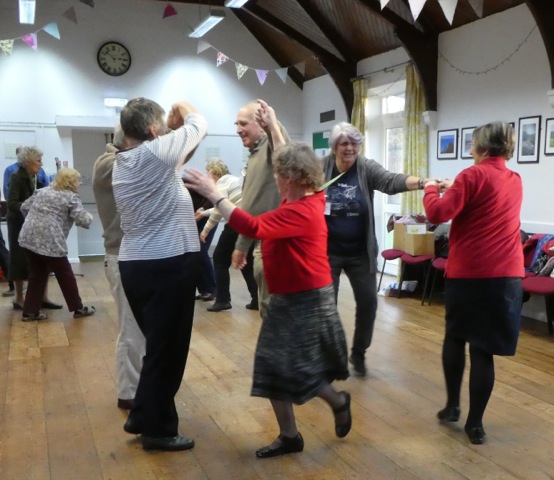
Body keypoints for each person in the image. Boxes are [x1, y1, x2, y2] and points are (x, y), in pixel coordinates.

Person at [184, 142, 351, 458]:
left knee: (296, 367)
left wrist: (214, 193)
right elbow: (265, 227)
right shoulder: (299, 200)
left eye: (277, 174)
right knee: (275, 366)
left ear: (289, 177)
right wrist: (244, 248)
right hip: (287, 298)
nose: (275, 180)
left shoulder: (303, 209)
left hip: (307, 300)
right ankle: (291, 435)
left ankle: (337, 403)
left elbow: (256, 225)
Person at [112, 97, 207, 452]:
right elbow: (199, 126)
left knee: (159, 347)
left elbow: (182, 153)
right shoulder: (151, 155)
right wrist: (184, 108)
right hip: (165, 265)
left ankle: (143, 413)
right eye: (163, 127)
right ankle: (158, 430)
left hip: (142, 265)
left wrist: (174, 128)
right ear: (154, 131)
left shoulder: (131, 160)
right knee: (168, 351)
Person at [423, 121, 523, 445]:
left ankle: (452, 405)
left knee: (456, 337)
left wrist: (430, 187)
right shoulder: (515, 179)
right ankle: (475, 425)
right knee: (484, 351)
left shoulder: (471, 175)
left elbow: (438, 213)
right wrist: (456, 186)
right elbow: (483, 197)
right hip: (506, 275)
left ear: (481, 147)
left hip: (470, 274)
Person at [322, 122, 432, 377]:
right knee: (326, 307)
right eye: (344, 143)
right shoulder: (321, 168)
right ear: (335, 146)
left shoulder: (365, 167)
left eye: (354, 143)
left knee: (369, 303)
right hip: (326, 252)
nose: (349, 148)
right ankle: (330, 357)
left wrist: (423, 182)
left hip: (360, 252)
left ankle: (359, 352)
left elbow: (391, 181)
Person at [92, 125, 146, 411]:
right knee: (130, 329)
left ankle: (137, 387)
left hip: (133, 257)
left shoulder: (123, 160)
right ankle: (128, 393)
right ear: (129, 139)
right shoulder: (107, 164)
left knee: (137, 328)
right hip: (120, 257)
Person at [231, 99, 289, 317]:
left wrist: (272, 125)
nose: (238, 130)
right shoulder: (255, 153)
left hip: (277, 245)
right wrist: (242, 244)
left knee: (275, 309)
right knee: (267, 308)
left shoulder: (269, 145)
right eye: (236, 124)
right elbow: (251, 205)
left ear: (260, 123)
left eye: (243, 124)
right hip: (261, 242)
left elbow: (283, 154)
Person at [18, 168, 96, 321]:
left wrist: (36, 221)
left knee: (37, 274)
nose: (79, 183)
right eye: (77, 180)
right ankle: (78, 308)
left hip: (28, 237)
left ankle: (30, 311)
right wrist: (91, 216)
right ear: (71, 181)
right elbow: (83, 220)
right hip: (50, 240)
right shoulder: (71, 197)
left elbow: (24, 207)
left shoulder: (42, 191)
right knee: (65, 274)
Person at [197, 158, 258, 312]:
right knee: (246, 264)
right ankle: (256, 298)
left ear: (216, 172)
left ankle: (223, 300)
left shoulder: (221, 182)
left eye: (208, 172)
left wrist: (206, 230)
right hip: (246, 223)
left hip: (235, 225)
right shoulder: (232, 180)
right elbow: (224, 207)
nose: (207, 175)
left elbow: (219, 209)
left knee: (219, 260)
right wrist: (203, 213)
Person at [6, 146, 61, 311]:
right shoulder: (16, 177)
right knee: (19, 261)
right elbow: (12, 203)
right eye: (38, 161)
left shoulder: (37, 176)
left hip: (34, 223)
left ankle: (43, 298)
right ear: (27, 162)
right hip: (18, 224)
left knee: (42, 259)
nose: (41, 163)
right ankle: (19, 299)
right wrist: (31, 206)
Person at [190, 189, 217, 302]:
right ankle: (204, 290)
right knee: (195, 254)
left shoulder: (187, 184)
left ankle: (212, 289)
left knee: (201, 251)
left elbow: (211, 197)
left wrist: (203, 209)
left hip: (207, 219)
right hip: (196, 221)